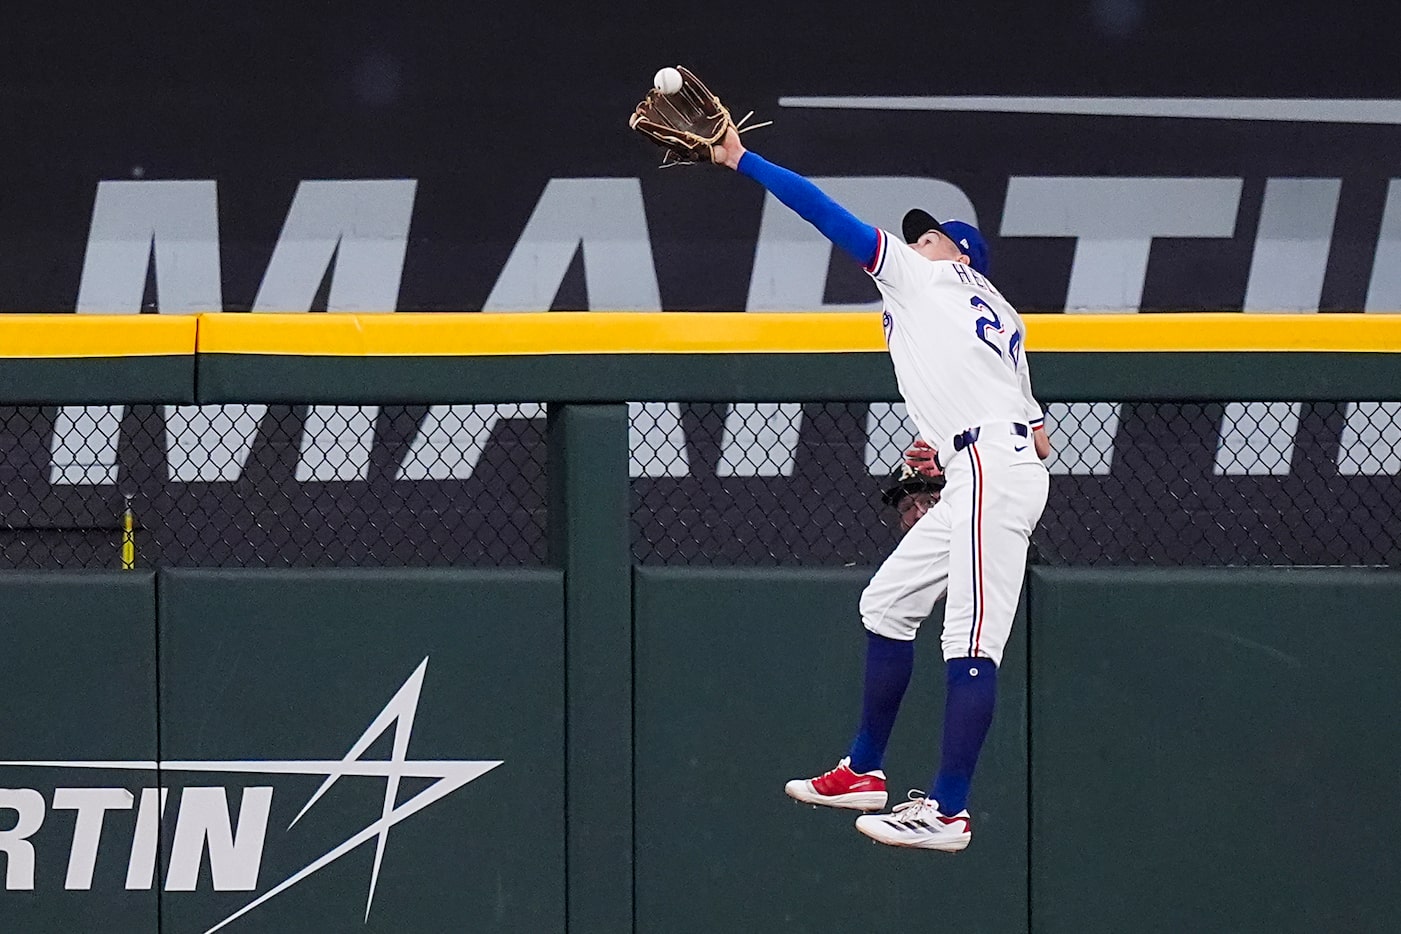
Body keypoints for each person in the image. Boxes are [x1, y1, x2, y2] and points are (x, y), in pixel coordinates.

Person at [710, 127, 1051, 852]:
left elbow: (822, 211)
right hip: (986, 465)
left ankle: (948, 812)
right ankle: (864, 769)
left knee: (969, 641)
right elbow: (1039, 431)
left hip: (989, 471)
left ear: (960, 255)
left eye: (932, 238)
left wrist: (742, 160)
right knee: (887, 602)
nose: (920, 241)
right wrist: (945, 432)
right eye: (920, 238)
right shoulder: (1003, 317)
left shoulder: (922, 278)